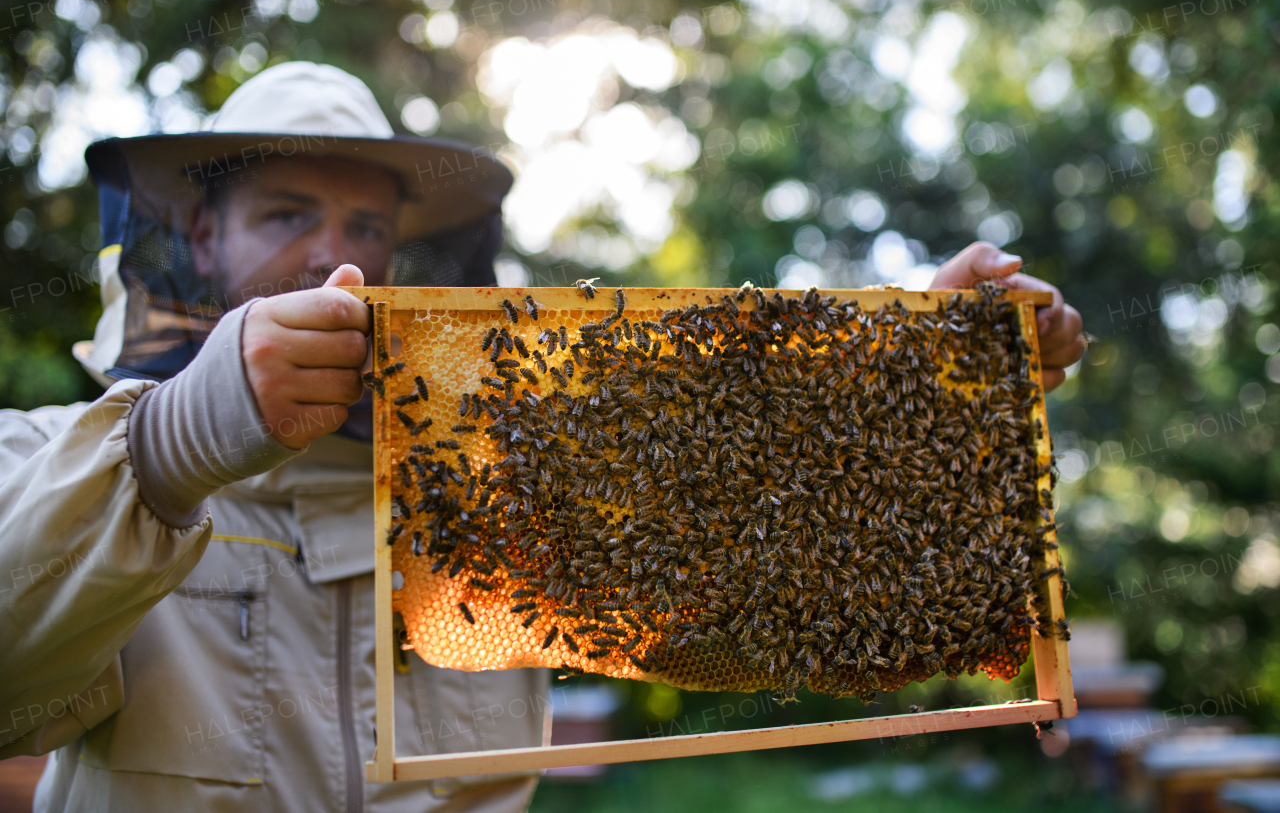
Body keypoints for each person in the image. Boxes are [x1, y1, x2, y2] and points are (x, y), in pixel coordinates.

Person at [0, 61, 1083, 812]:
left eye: (367, 226)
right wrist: (178, 442)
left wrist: (920, 379)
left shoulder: (498, 481)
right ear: (199, 233)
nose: (337, 258)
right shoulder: (53, 457)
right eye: (286, 213)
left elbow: (753, 574)